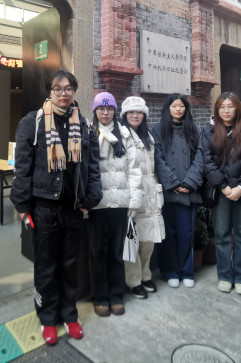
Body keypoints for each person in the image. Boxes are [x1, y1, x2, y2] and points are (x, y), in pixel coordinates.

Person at [10, 70, 103, 345]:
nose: (63, 93)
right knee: (46, 266)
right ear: (49, 92)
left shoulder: (84, 125)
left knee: (70, 265)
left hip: (74, 208)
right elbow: (22, 167)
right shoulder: (33, 122)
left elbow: (93, 167)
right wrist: (22, 203)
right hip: (43, 208)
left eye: (68, 88)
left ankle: (69, 314)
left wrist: (92, 197)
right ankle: (48, 318)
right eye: (57, 89)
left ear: (74, 91)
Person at [201, 92, 241, 296]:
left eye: (230, 106)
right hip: (221, 193)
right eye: (222, 107)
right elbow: (207, 162)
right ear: (217, 110)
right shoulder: (208, 133)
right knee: (222, 235)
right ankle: (225, 276)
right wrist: (223, 186)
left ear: (238, 108)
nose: (226, 111)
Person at [88, 92, 143, 317]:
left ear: (114, 111)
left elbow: (134, 169)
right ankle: (100, 296)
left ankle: (116, 295)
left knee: (116, 250)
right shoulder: (88, 133)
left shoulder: (125, 134)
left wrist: (134, 200)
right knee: (97, 251)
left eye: (109, 108)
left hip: (120, 203)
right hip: (96, 203)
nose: (105, 112)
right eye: (101, 109)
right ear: (95, 111)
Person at [152, 93, 204, 289]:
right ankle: (170, 270)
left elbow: (201, 157)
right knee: (169, 233)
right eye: (174, 106)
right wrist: (172, 182)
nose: (178, 109)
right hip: (168, 190)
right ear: (168, 108)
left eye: (181, 106)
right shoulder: (158, 129)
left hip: (188, 191)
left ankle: (186, 270)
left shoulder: (195, 129)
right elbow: (157, 158)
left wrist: (190, 182)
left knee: (186, 232)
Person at [120, 96, 165, 299]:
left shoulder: (149, 137)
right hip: (133, 192)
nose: (135, 115)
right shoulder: (121, 135)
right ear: (125, 115)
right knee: (132, 240)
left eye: (139, 112)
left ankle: (146, 275)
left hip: (150, 192)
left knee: (148, 241)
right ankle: (133, 280)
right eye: (131, 112)